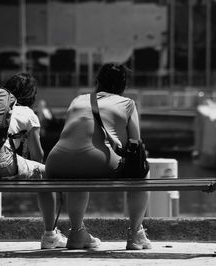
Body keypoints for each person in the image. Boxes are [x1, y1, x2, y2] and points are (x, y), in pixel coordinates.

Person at [45, 63, 151, 250]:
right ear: (123, 84)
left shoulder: (78, 100)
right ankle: (135, 235)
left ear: (98, 81)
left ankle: (77, 233)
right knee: (141, 171)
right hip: (97, 160)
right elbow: (135, 144)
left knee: (77, 172)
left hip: (56, 162)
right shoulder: (127, 104)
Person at [0, 72, 67, 250]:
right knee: (46, 173)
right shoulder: (27, 112)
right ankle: (50, 236)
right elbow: (38, 155)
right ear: (31, 95)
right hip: (1, 161)